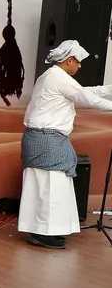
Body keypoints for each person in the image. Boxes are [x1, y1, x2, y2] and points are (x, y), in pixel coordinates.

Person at [18, 40, 112, 248]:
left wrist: (109, 90)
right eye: (78, 62)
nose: (80, 66)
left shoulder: (53, 76)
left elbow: (88, 92)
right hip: (47, 140)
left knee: (48, 188)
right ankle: (42, 232)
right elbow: (88, 99)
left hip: (46, 139)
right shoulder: (58, 78)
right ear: (69, 60)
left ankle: (44, 231)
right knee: (49, 188)